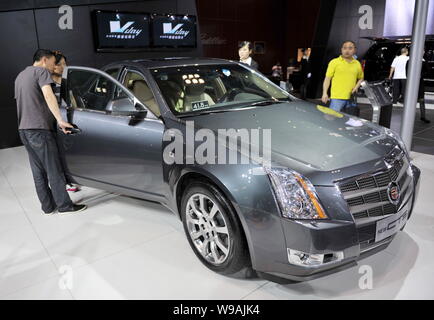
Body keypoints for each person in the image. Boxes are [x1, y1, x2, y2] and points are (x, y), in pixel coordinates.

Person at [14, 49, 87, 215]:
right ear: (45, 60)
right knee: (54, 169)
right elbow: (48, 96)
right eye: (53, 62)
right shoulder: (41, 72)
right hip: (40, 130)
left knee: (38, 171)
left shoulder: (21, 76)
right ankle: (64, 206)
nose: (54, 66)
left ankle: (47, 206)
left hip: (24, 130)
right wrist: (60, 120)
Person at [52, 51, 81, 192]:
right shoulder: (48, 84)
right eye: (59, 64)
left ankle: (72, 178)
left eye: (65, 63)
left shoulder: (67, 81)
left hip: (69, 122)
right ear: (52, 65)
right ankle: (63, 183)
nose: (64, 66)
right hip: (55, 124)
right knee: (57, 155)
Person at [322, 40, 364, 112]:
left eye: (350, 48)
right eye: (345, 48)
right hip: (337, 98)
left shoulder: (357, 64)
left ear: (354, 50)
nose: (347, 50)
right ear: (341, 49)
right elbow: (327, 78)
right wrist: (324, 93)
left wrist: (356, 87)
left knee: (349, 121)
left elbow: (361, 78)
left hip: (351, 98)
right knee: (333, 119)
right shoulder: (334, 62)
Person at [406, 51, 431, 123]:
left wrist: (421, 75)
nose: (423, 52)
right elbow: (407, 72)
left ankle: (423, 116)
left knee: (421, 100)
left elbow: (428, 71)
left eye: (423, 51)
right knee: (411, 100)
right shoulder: (410, 61)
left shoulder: (423, 61)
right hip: (412, 83)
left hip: (420, 83)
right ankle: (408, 116)